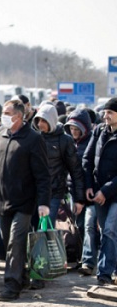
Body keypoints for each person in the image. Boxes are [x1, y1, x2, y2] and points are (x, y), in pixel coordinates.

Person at [0, 99, 51, 301]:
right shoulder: (0, 134)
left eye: (8, 113)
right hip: (1, 201)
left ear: (19, 117)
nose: (4, 116)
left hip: (24, 202)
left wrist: (44, 202)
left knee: (15, 243)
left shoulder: (33, 139)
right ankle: (23, 275)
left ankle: (11, 286)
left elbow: (43, 175)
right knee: (7, 242)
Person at [82, 97, 117, 286]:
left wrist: (105, 190)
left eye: (110, 112)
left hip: (113, 193)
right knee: (106, 232)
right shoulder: (99, 132)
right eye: (105, 112)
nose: (105, 116)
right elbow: (87, 160)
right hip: (99, 193)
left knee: (111, 229)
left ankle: (104, 273)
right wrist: (89, 185)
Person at [33, 104, 85, 225]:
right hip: (33, 193)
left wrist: (79, 199)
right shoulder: (34, 138)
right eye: (38, 120)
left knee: (45, 229)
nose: (40, 124)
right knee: (32, 231)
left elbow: (75, 170)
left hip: (54, 193)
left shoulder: (65, 140)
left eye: (44, 120)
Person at [65, 109, 99, 275]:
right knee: (75, 227)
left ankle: (88, 260)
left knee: (88, 226)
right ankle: (77, 257)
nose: (74, 132)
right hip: (72, 192)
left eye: (77, 129)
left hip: (89, 192)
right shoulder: (68, 143)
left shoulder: (94, 142)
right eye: (72, 129)